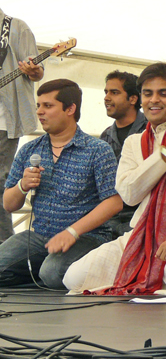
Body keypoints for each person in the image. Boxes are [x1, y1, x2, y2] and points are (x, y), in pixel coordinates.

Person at [63, 63, 166, 295]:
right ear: (140, 98)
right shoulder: (135, 142)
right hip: (141, 237)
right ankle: (158, 276)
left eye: (164, 93)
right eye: (148, 93)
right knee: (73, 278)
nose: (154, 100)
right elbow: (130, 195)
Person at [0, 79, 121, 289]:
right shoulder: (30, 150)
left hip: (87, 236)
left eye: (48, 106)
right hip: (39, 237)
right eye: (38, 105)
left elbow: (114, 202)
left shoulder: (97, 150)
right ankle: (40, 272)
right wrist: (22, 186)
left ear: (70, 109)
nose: (39, 112)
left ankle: (47, 272)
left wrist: (71, 232)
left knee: (53, 273)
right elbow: (9, 205)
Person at [0, 8, 44, 242]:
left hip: (3, 122)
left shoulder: (16, 27)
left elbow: (37, 73)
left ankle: (4, 249)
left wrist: (35, 70)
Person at [100, 71, 148, 238]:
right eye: (106, 92)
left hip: (142, 216)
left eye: (114, 92)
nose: (107, 97)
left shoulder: (151, 130)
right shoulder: (105, 136)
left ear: (133, 99)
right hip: (110, 217)